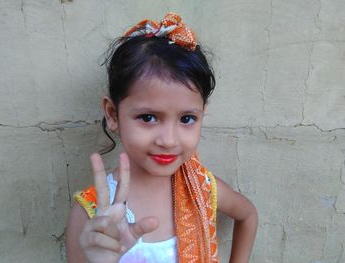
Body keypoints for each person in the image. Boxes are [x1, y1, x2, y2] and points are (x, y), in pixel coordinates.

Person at [66, 13, 258, 263]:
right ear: (113, 114)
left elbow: (248, 215)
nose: (168, 140)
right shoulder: (92, 216)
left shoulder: (202, 188)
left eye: (187, 119)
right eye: (148, 118)